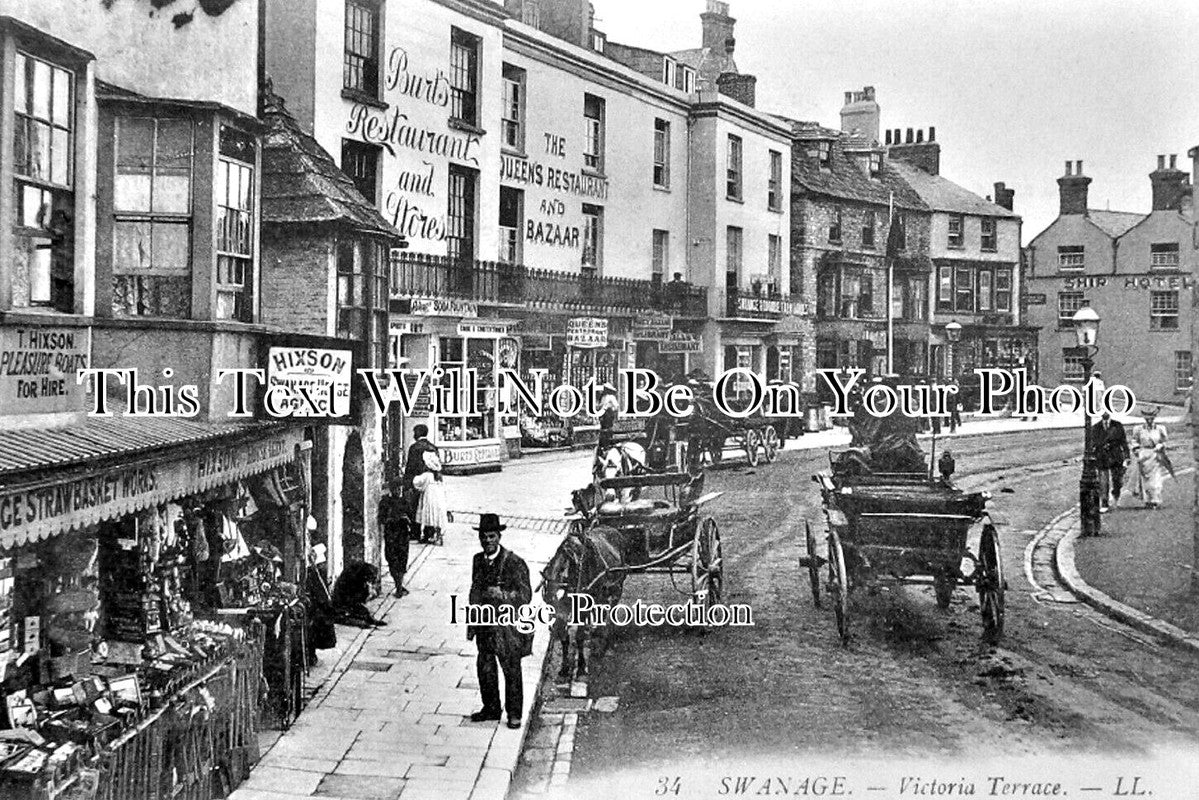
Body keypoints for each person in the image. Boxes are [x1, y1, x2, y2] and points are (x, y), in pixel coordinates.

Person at [468, 514, 533, 730]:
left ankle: (514, 714)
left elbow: (525, 595)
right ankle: (491, 708)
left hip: (507, 627)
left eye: (491, 536)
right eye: (483, 537)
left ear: (499, 536)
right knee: (485, 668)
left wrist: (502, 595)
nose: (487, 541)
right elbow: (474, 591)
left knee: (511, 669)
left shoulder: (514, 562)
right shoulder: (477, 560)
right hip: (485, 625)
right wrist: (472, 622)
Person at [404, 424, 439, 543]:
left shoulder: (414, 448)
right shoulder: (433, 447)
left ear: (418, 433)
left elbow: (410, 467)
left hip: (417, 480)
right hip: (431, 482)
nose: (414, 434)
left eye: (415, 432)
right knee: (428, 506)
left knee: (415, 506)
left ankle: (416, 532)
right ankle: (429, 532)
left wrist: (407, 481)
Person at [1130, 408, 1170, 509]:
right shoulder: (1138, 429)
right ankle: (1147, 500)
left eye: (1151, 418)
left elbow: (1165, 441)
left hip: (1155, 455)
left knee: (1155, 479)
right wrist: (1136, 450)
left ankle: (1155, 500)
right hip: (1144, 455)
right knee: (1145, 480)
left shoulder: (1160, 428)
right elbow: (1134, 441)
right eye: (1147, 418)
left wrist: (1160, 446)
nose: (1149, 420)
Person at [1094, 411, 1130, 513]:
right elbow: (1093, 444)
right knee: (1103, 482)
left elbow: (1124, 442)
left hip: (1116, 456)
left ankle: (1116, 495)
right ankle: (1104, 502)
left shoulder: (1117, 425)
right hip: (1102, 457)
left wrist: (1127, 457)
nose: (1104, 414)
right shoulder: (1096, 427)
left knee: (1117, 480)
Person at [378, 482, 410, 596]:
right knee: (392, 559)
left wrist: (405, 518)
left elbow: (410, 516)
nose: (398, 491)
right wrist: (392, 518)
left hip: (402, 534)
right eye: (396, 488)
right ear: (392, 489)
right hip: (391, 534)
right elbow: (382, 519)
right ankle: (399, 586)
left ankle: (399, 586)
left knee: (401, 560)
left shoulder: (404, 501)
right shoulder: (385, 502)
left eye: (400, 489)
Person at [413, 452, 448, 546]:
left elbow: (417, 482)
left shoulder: (427, 475)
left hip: (429, 499)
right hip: (439, 499)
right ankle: (438, 536)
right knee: (437, 517)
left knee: (429, 515)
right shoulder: (439, 477)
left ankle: (426, 535)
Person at [596, 381, 619, 452]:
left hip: (609, 414)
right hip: (602, 414)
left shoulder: (611, 397)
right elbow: (600, 405)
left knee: (608, 428)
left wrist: (609, 407)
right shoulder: (603, 397)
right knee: (602, 428)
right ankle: (603, 444)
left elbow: (616, 406)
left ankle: (609, 444)